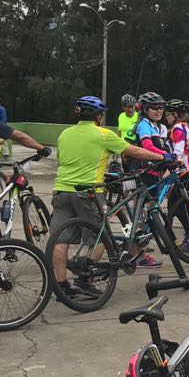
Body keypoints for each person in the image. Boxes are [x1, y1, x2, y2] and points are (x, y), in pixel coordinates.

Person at [50, 96, 166, 300]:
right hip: (88, 192)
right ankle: (85, 279)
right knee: (100, 236)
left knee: (61, 239)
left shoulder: (65, 134)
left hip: (61, 190)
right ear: (98, 117)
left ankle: (61, 287)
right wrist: (163, 157)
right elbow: (134, 151)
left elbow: (64, 161)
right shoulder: (104, 134)